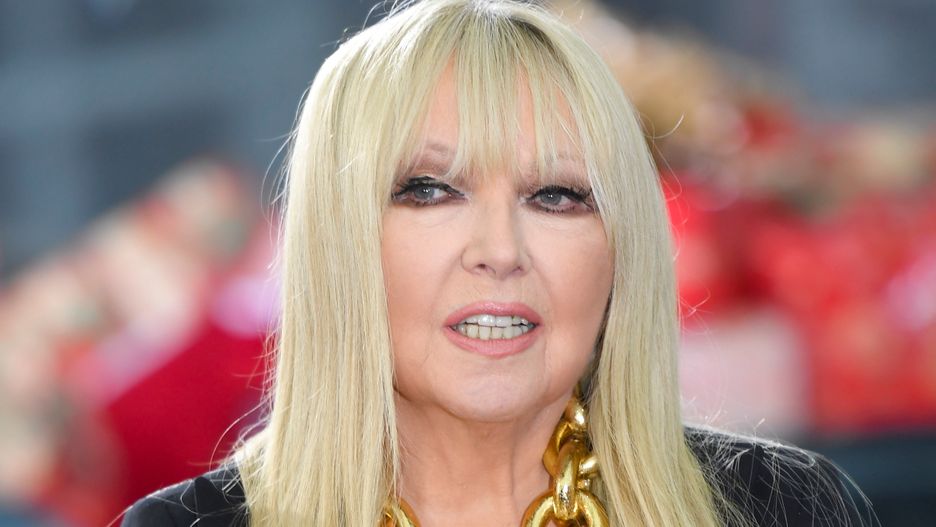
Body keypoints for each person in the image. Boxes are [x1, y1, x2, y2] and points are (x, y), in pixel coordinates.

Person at [121, 0, 876, 525]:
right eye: (429, 190)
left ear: (623, 248)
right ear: (337, 239)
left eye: (556, 196)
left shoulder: (790, 509)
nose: (500, 252)